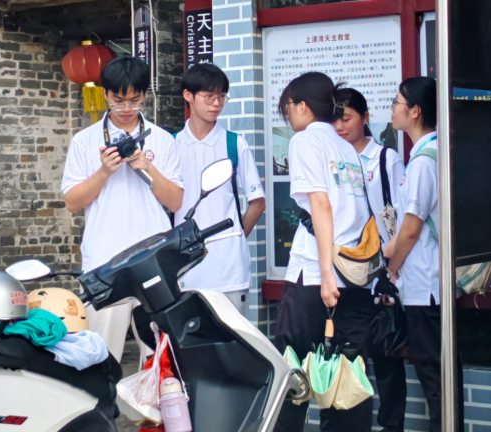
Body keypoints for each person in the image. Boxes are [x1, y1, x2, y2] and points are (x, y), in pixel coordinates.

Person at [61, 57, 184, 362]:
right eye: (118, 99)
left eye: (135, 100)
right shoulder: (84, 141)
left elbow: (175, 202)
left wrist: (147, 167)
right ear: (104, 94)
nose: (126, 108)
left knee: (161, 358)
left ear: (145, 94)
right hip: (104, 262)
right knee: (101, 356)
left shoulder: (162, 139)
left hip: (154, 259)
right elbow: (72, 203)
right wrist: (105, 171)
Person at [273, 72, 375, 432]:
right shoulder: (345, 146)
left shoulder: (305, 141)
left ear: (302, 106)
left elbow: (321, 205)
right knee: (346, 373)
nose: (288, 114)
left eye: (288, 106)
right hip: (354, 275)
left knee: (291, 370)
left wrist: (327, 275)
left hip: (315, 276)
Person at [384, 77, 464, 432]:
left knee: (436, 381)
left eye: (396, 102)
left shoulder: (423, 162)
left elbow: (411, 229)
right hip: (431, 284)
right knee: (441, 379)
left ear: (415, 111)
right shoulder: (433, 152)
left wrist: (391, 267)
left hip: (426, 287)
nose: (392, 109)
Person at [333, 87, 407, 432]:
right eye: (335, 119)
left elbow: (402, 216)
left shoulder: (385, 159)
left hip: (381, 271)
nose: (340, 126)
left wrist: (393, 268)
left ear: (365, 118)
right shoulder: (334, 159)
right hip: (347, 271)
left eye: (346, 118)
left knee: (387, 359)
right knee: (352, 358)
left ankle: (391, 426)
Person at [172, 64, 265, 317]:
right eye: (209, 96)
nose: (216, 103)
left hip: (229, 270)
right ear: (188, 95)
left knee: (233, 338)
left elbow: (258, 202)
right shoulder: (172, 145)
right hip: (185, 270)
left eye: (221, 96)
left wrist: (236, 237)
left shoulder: (234, 144)